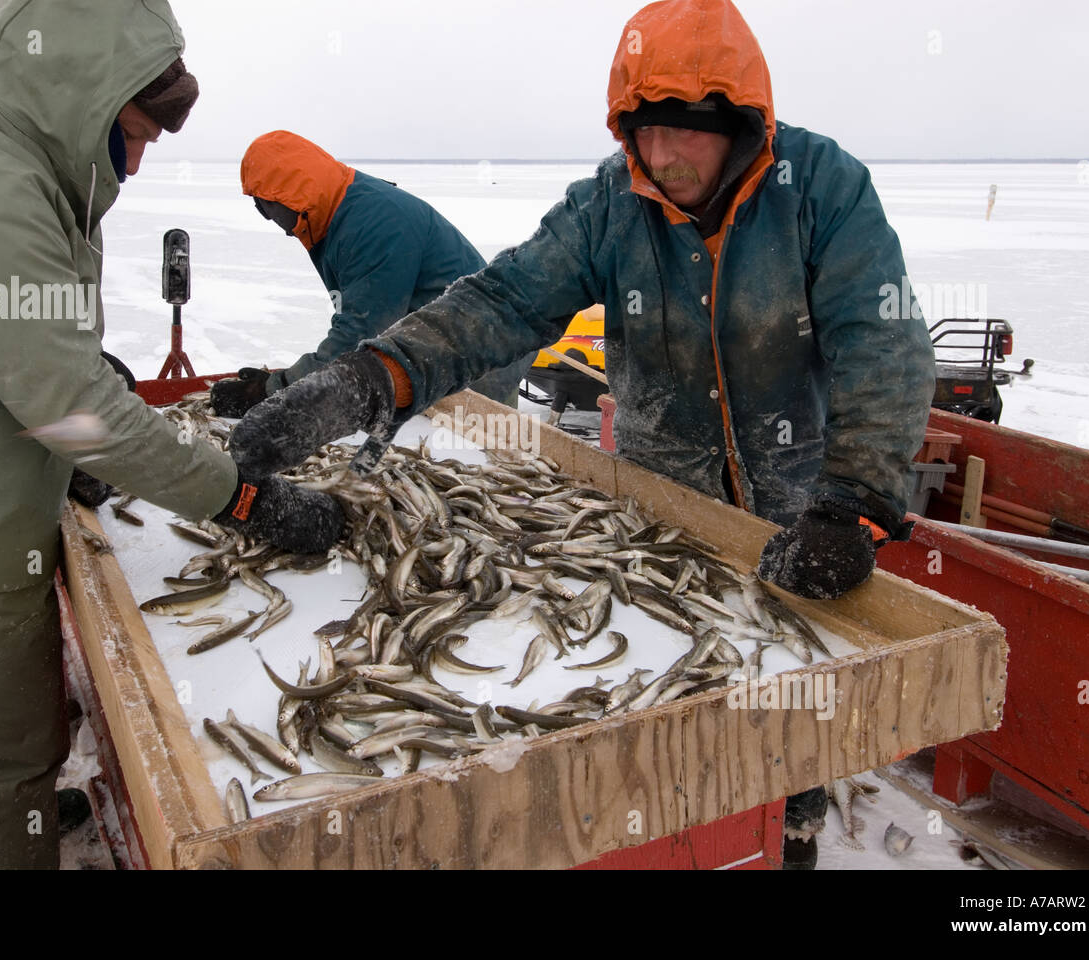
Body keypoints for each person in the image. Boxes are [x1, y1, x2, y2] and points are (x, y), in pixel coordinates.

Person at [227, 0, 936, 869]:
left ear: (742, 127)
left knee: (794, 679)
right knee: (679, 676)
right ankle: (678, 819)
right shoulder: (612, 201)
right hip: (659, 489)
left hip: (799, 489)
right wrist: (377, 377)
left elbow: (883, 340)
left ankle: (792, 820)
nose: (663, 158)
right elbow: (504, 301)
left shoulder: (821, 187)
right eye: (645, 135)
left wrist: (857, 499)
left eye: (686, 134)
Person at [0, 0, 341, 869]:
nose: (136, 165)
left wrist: (70, 404)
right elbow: (74, 409)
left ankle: (15, 793)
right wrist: (244, 496)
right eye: (134, 135)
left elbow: (15, 356)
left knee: (1, 762)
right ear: (80, 92)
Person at [210, 131, 535, 417]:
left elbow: (358, 337)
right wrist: (285, 381)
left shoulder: (372, 224)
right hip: (436, 351)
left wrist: (271, 391)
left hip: (481, 354)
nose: (278, 227)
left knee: (475, 457)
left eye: (270, 210)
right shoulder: (335, 213)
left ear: (291, 196)